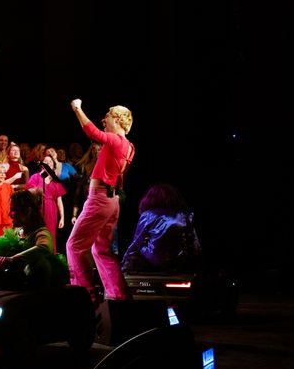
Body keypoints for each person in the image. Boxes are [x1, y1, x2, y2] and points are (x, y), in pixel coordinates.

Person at [65, 99, 134, 302]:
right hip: (111, 202)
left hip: (100, 199)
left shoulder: (116, 141)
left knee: (74, 246)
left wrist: (77, 108)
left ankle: (86, 297)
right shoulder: (130, 146)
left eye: (108, 116)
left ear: (118, 119)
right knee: (101, 250)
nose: (104, 120)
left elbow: (93, 132)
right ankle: (119, 297)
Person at [121, 183, 201, 274]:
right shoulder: (185, 215)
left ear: (149, 198)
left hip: (152, 261)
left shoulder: (147, 215)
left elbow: (136, 243)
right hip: (178, 261)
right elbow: (195, 245)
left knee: (142, 246)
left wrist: (123, 265)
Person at [26, 153, 66, 249]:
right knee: (38, 235)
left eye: (50, 161)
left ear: (53, 165)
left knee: (50, 235)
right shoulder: (35, 177)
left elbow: (59, 200)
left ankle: (50, 258)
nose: (48, 163)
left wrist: (62, 217)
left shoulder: (55, 181)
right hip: (37, 210)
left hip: (51, 212)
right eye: (45, 161)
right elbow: (29, 195)